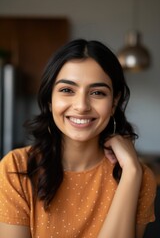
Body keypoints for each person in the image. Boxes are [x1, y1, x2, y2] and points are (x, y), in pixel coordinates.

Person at [0, 39, 157, 238]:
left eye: (97, 93)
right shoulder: (16, 168)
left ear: (114, 102)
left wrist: (132, 173)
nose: (82, 106)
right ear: (50, 99)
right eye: (67, 90)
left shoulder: (138, 177)